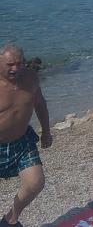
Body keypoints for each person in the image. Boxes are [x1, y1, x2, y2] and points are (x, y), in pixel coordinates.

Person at [0, 44, 51, 227]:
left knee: (35, 183)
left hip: (22, 141)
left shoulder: (31, 78)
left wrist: (46, 131)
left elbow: (40, 104)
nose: (16, 68)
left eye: (19, 63)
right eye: (10, 64)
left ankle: (10, 220)